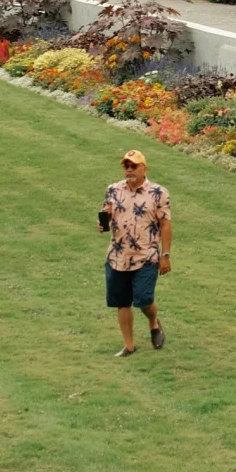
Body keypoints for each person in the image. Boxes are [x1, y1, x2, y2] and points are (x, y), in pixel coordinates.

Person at [99, 148, 172, 358]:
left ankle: (153, 323)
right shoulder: (113, 190)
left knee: (144, 299)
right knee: (122, 302)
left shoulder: (158, 193)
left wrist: (165, 255)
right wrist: (102, 223)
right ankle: (129, 346)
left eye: (134, 166)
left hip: (146, 256)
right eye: (126, 166)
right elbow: (107, 214)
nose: (129, 169)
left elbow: (165, 225)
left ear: (144, 168)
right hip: (117, 256)